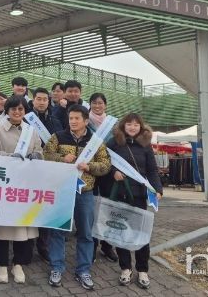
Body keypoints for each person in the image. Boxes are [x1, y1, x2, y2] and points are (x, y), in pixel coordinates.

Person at [43, 105, 110, 291]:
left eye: (77, 118)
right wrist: (62, 158)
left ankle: (83, 270)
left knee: (85, 233)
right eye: (70, 118)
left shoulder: (95, 142)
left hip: (85, 193)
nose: (72, 121)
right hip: (62, 191)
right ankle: (56, 268)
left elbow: (106, 165)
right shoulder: (58, 137)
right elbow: (45, 155)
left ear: (86, 121)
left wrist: (89, 167)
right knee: (57, 230)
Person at [0, 95, 43, 285]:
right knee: (4, 226)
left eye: (21, 109)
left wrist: (36, 155)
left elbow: (39, 150)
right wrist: (11, 157)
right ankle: (2, 264)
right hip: (5, 185)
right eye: (13, 109)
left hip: (25, 186)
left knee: (22, 226)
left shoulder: (31, 131)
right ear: (7, 111)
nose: (17, 112)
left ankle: (18, 263)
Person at [105, 113, 163, 289]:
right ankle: (125, 268)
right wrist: (113, 172)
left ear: (141, 127)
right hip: (120, 194)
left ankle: (142, 269)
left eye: (136, 125)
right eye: (129, 124)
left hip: (139, 195)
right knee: (121, 231)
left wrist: (158, 189)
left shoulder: (145, 145)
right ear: (123, 125)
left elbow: (152, 170)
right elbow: (105, 163)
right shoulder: (114, 143)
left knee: (141, 233)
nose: (132, 127)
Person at [29, 87, 64, 262]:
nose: (42, 102)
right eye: (39, 99)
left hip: (50, 169)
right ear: (33, 100)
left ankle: (43, 245)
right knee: (29, 206)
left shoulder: (55, 121)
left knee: (45, 207)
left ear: (49, 101)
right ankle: (27, 245)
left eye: (45, 99)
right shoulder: (26, 119)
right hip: (30, 169)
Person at [87, 92, 118, 263]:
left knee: (107, 208)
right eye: (94, 103)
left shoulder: (113, 124)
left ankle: (107, 246)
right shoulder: (85, 121)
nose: (97, 106)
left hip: (108, 171)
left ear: (105, 105)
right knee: (91, 210)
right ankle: (91, 246)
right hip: (90, 170)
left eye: (100, 103)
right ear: (90, 104)